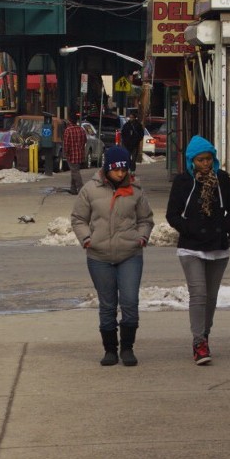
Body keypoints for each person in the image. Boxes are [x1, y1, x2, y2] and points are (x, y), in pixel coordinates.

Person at [71, 146, 154, 367]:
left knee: (130, 302)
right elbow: (78, 218)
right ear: (107, 168)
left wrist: (142, 237)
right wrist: (87, 239)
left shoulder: (135, 190)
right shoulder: (90, 190)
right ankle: (110, 350)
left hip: (130, 254)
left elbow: (146, 219)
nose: (120, 173)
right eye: (116, 169)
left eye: (124, 169)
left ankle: (127, 348)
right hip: (99, 257)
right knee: (107, 305)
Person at [166, 135, 230, 366]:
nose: (206, 163)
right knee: (198, 295)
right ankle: (199, 343)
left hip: (218, 247)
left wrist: (223, 229)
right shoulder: (183, 181)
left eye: (209, 159)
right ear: (192, 161)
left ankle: (205, 335)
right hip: (191, 248)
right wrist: (189, 229)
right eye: (201, 160)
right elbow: (172, 214)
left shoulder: (222, 179)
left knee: (210, 297)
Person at [63, 113, 87, 195]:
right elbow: (85, 141)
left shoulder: (68, 130)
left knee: (75, 172)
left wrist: (66, 153)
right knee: (75, 171)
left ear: (69, 120)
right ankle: (73, 189)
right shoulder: (81, 129)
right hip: (80, 154)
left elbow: (66, 144)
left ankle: (81, 189)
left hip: (72, 155)